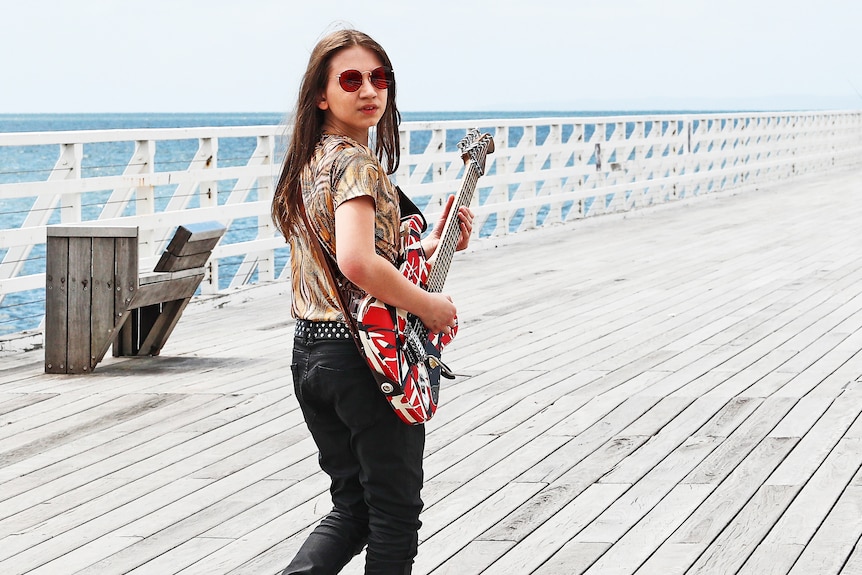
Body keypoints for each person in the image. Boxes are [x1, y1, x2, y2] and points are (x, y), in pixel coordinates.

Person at [271, 28, 474, 575]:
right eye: (352, 79)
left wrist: (432, 244)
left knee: (354, 507)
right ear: (321, 93)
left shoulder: (309, 162)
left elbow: (351, 258)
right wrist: (429, 308)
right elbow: (357, 264)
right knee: (394, 514)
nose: (369, 91)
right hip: (364, 361)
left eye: (379, 79)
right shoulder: (358, 165)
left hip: (312, 356)